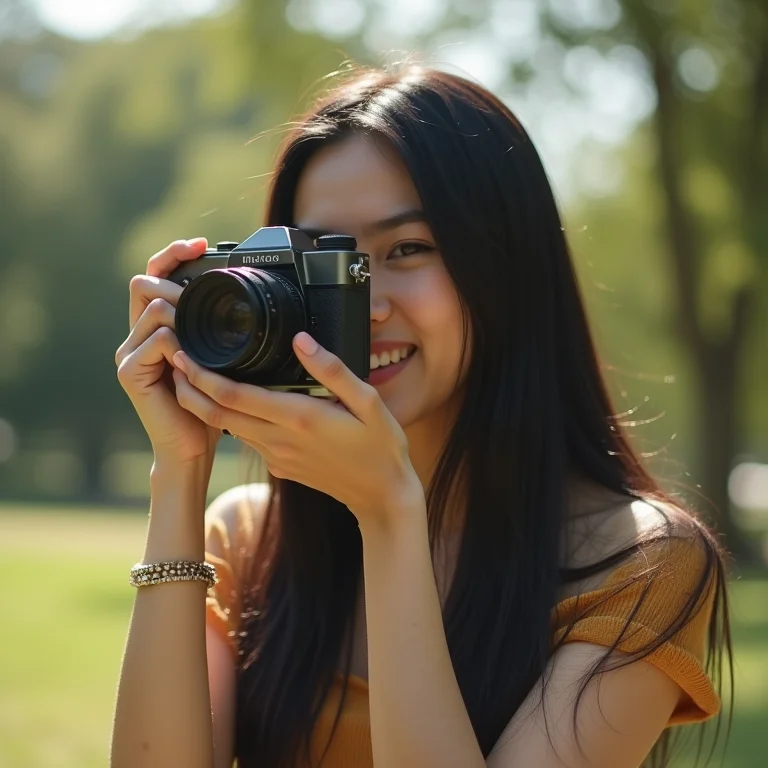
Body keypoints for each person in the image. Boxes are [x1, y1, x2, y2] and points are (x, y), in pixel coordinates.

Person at [110, 64, 731, 768]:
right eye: (328, 261)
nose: (368, 307)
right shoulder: (250, 539)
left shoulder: (636, 563)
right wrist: (180, 471)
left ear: (505, 266)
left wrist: (389, 516)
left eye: (407, 249)